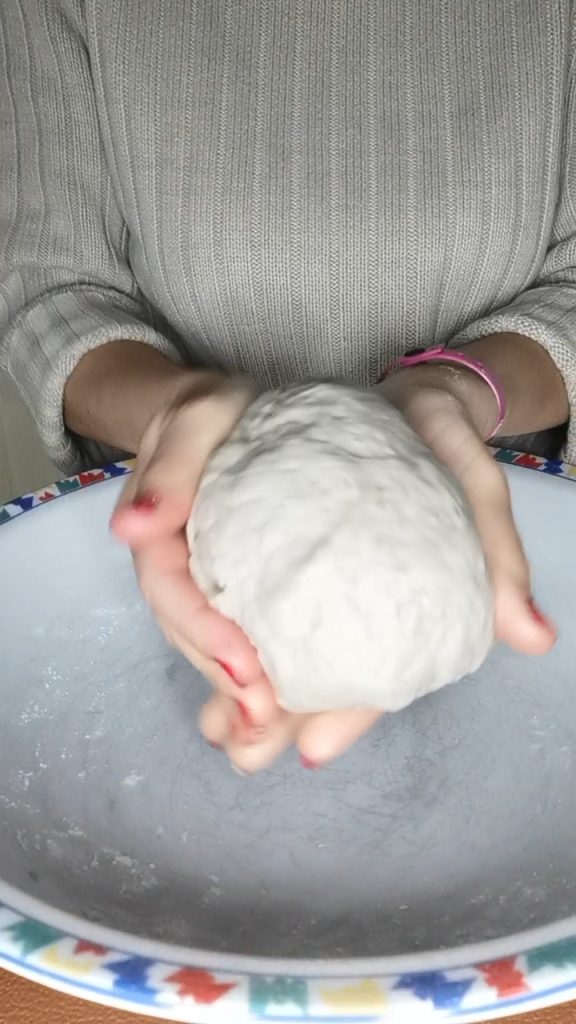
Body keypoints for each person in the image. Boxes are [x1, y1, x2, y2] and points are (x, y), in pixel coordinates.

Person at [1, 1, 571, 772]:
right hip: (181, 569)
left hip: (506, 539)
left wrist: (459, 391)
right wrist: (176, 411)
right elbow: (48, 281)